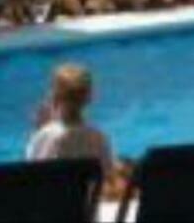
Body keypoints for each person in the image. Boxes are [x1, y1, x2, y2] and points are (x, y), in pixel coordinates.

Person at [26, 63, 129, 199]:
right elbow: (108, 176)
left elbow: (32, 176)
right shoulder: (99, 138)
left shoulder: (45, 136)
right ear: (90, 98)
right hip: (85, 209)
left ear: (54, 97)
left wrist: (37, 131)